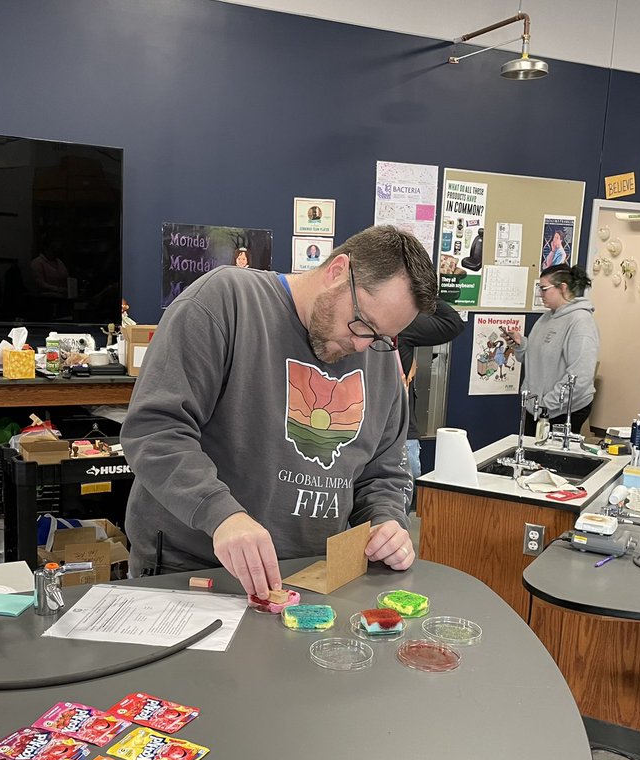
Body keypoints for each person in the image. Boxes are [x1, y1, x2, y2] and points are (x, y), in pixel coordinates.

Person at [121, 224, 436, 598]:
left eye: (382, 337)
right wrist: (222, 514)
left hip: (312, 578)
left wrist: (385, 523)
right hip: (194, 570)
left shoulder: (377, 358)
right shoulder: (224, 302)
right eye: (362, 324)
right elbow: (156, 430)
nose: (362, 345)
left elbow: (383, 471)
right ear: (337, 272)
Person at [508, 263, 598, 437]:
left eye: (544, 289)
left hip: (560, 411)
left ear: (562, 288)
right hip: (537, 408)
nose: (540, 295)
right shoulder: (546, 318)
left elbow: (580, 376)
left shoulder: (581, 321)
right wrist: (521, 344)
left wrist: (547, 405)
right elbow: (535, 357)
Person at [396, 299, 464, 505]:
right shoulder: (400, 321)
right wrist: (427, 296)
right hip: (398, 431)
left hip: (388, 428)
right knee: (397, 500)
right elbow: (453, 322)